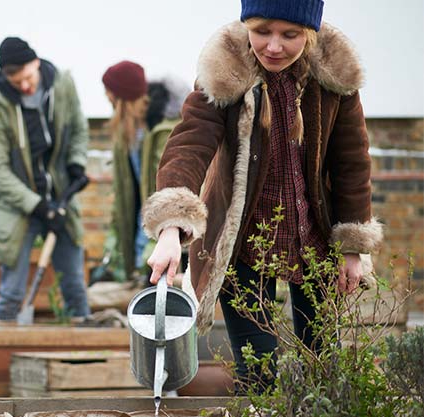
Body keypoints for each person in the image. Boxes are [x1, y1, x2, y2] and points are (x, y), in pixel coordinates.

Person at [142, 0, 381, 386]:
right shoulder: (226, 71)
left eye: (290, 35)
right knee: (261, 373)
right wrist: (171, 228)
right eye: (261, 32)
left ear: (310, 32)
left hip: (315, 240)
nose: (273, 46)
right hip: (243, 245)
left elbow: (352, 162)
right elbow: (189, 145)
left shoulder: (334, 79)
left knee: (322, 371)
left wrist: (353, 245)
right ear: (246, 25)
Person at [0, 36, 91, 320]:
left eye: (28, 78)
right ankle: (0, 353)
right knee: (12, 292)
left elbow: (78, 128)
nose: (25, 86)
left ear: (36, 63)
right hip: (16, 205)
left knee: (74, 285)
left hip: (60, 198)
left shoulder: (62, 85)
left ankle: (87, 358)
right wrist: (37, 205)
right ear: (5, 77)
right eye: (17, 83)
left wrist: (76, 164)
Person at [102, 62, 188, 280]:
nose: (106, 96)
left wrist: (154, 238)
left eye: (109, 91)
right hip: (142, 228)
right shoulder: (129, 131)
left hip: (164, 229)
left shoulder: (165, 129)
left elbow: (170, 185)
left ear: (121, 96)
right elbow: (126, 189)